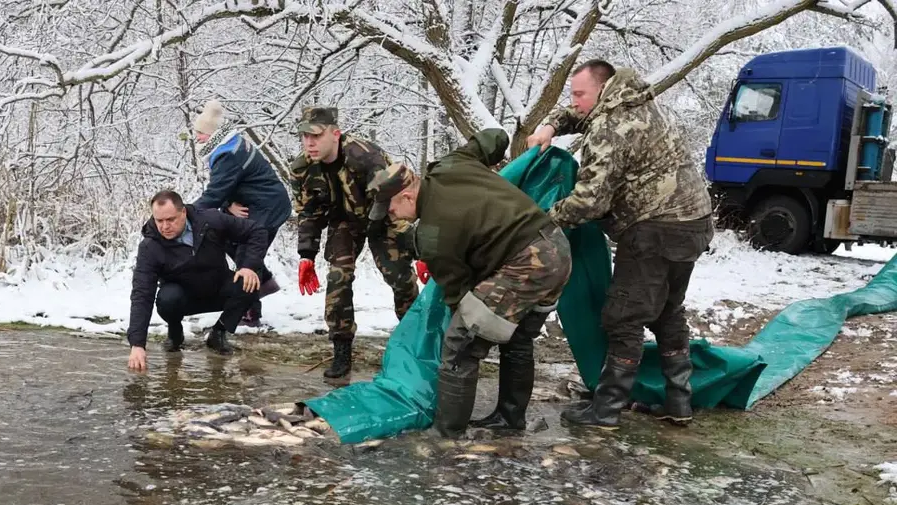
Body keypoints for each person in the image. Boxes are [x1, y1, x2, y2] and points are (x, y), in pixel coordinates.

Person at [526, 59, 714, 428]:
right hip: (694, 223)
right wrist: (552, 125)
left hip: (655, 230)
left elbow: (589, 202)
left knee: (623, 317)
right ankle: (679, 402)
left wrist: (542, 220)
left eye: (580, 94)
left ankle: (607, 408)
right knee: (668, 310)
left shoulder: (609, 128)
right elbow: (582, 113)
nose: (575, 101)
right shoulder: (641, 103)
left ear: (602, 90)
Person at [367, 128, 573, 439]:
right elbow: (495, 137)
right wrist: (531, 144)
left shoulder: (432, 234)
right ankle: (509, 419)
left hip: (527, 264)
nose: (392, 216)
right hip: (557, 249)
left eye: (391, 209)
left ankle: (447, 435)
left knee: (461, 344)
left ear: (407, 196)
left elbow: (459, 300)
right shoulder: (451, 164)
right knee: (517, 339)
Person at [290, 106, 422, 380]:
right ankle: (341, 350)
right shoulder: (302, 168)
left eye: (316, 135)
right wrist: (306, 254)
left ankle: (416, 343)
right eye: (305, 136)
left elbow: (396, 198)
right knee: (338, 277)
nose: (309, 143)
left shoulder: (365, 156)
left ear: (335, 134)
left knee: (398, 276)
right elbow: (309, 212)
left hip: (384, 216)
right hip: (344, 221)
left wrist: (418, 248)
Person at [126, 190, 269, 372]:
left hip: (218, 287)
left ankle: (219, 332)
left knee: (250, 282)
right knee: (167, 298)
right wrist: (137, 344)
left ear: (183, 212)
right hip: (182, 298)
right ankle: (175, 332)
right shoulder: (150, 247)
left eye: (170, 219)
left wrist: (248, 266)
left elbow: (256, 231)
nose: (165, 226)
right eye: (159, 221)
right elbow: (142, 294)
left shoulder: (210, 220)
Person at [190, 99, 292, 327]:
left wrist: (186, 213)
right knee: (227, 241)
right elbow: (231, 183)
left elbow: (215, 193)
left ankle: (250, 312)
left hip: (267, 208)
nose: (197, 137)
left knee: (247, 256)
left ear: (213, 133)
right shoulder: (229, 143)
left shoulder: (228, 154)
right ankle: (264, 283)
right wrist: (228, 206)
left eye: (200, 133)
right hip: (255, 204)